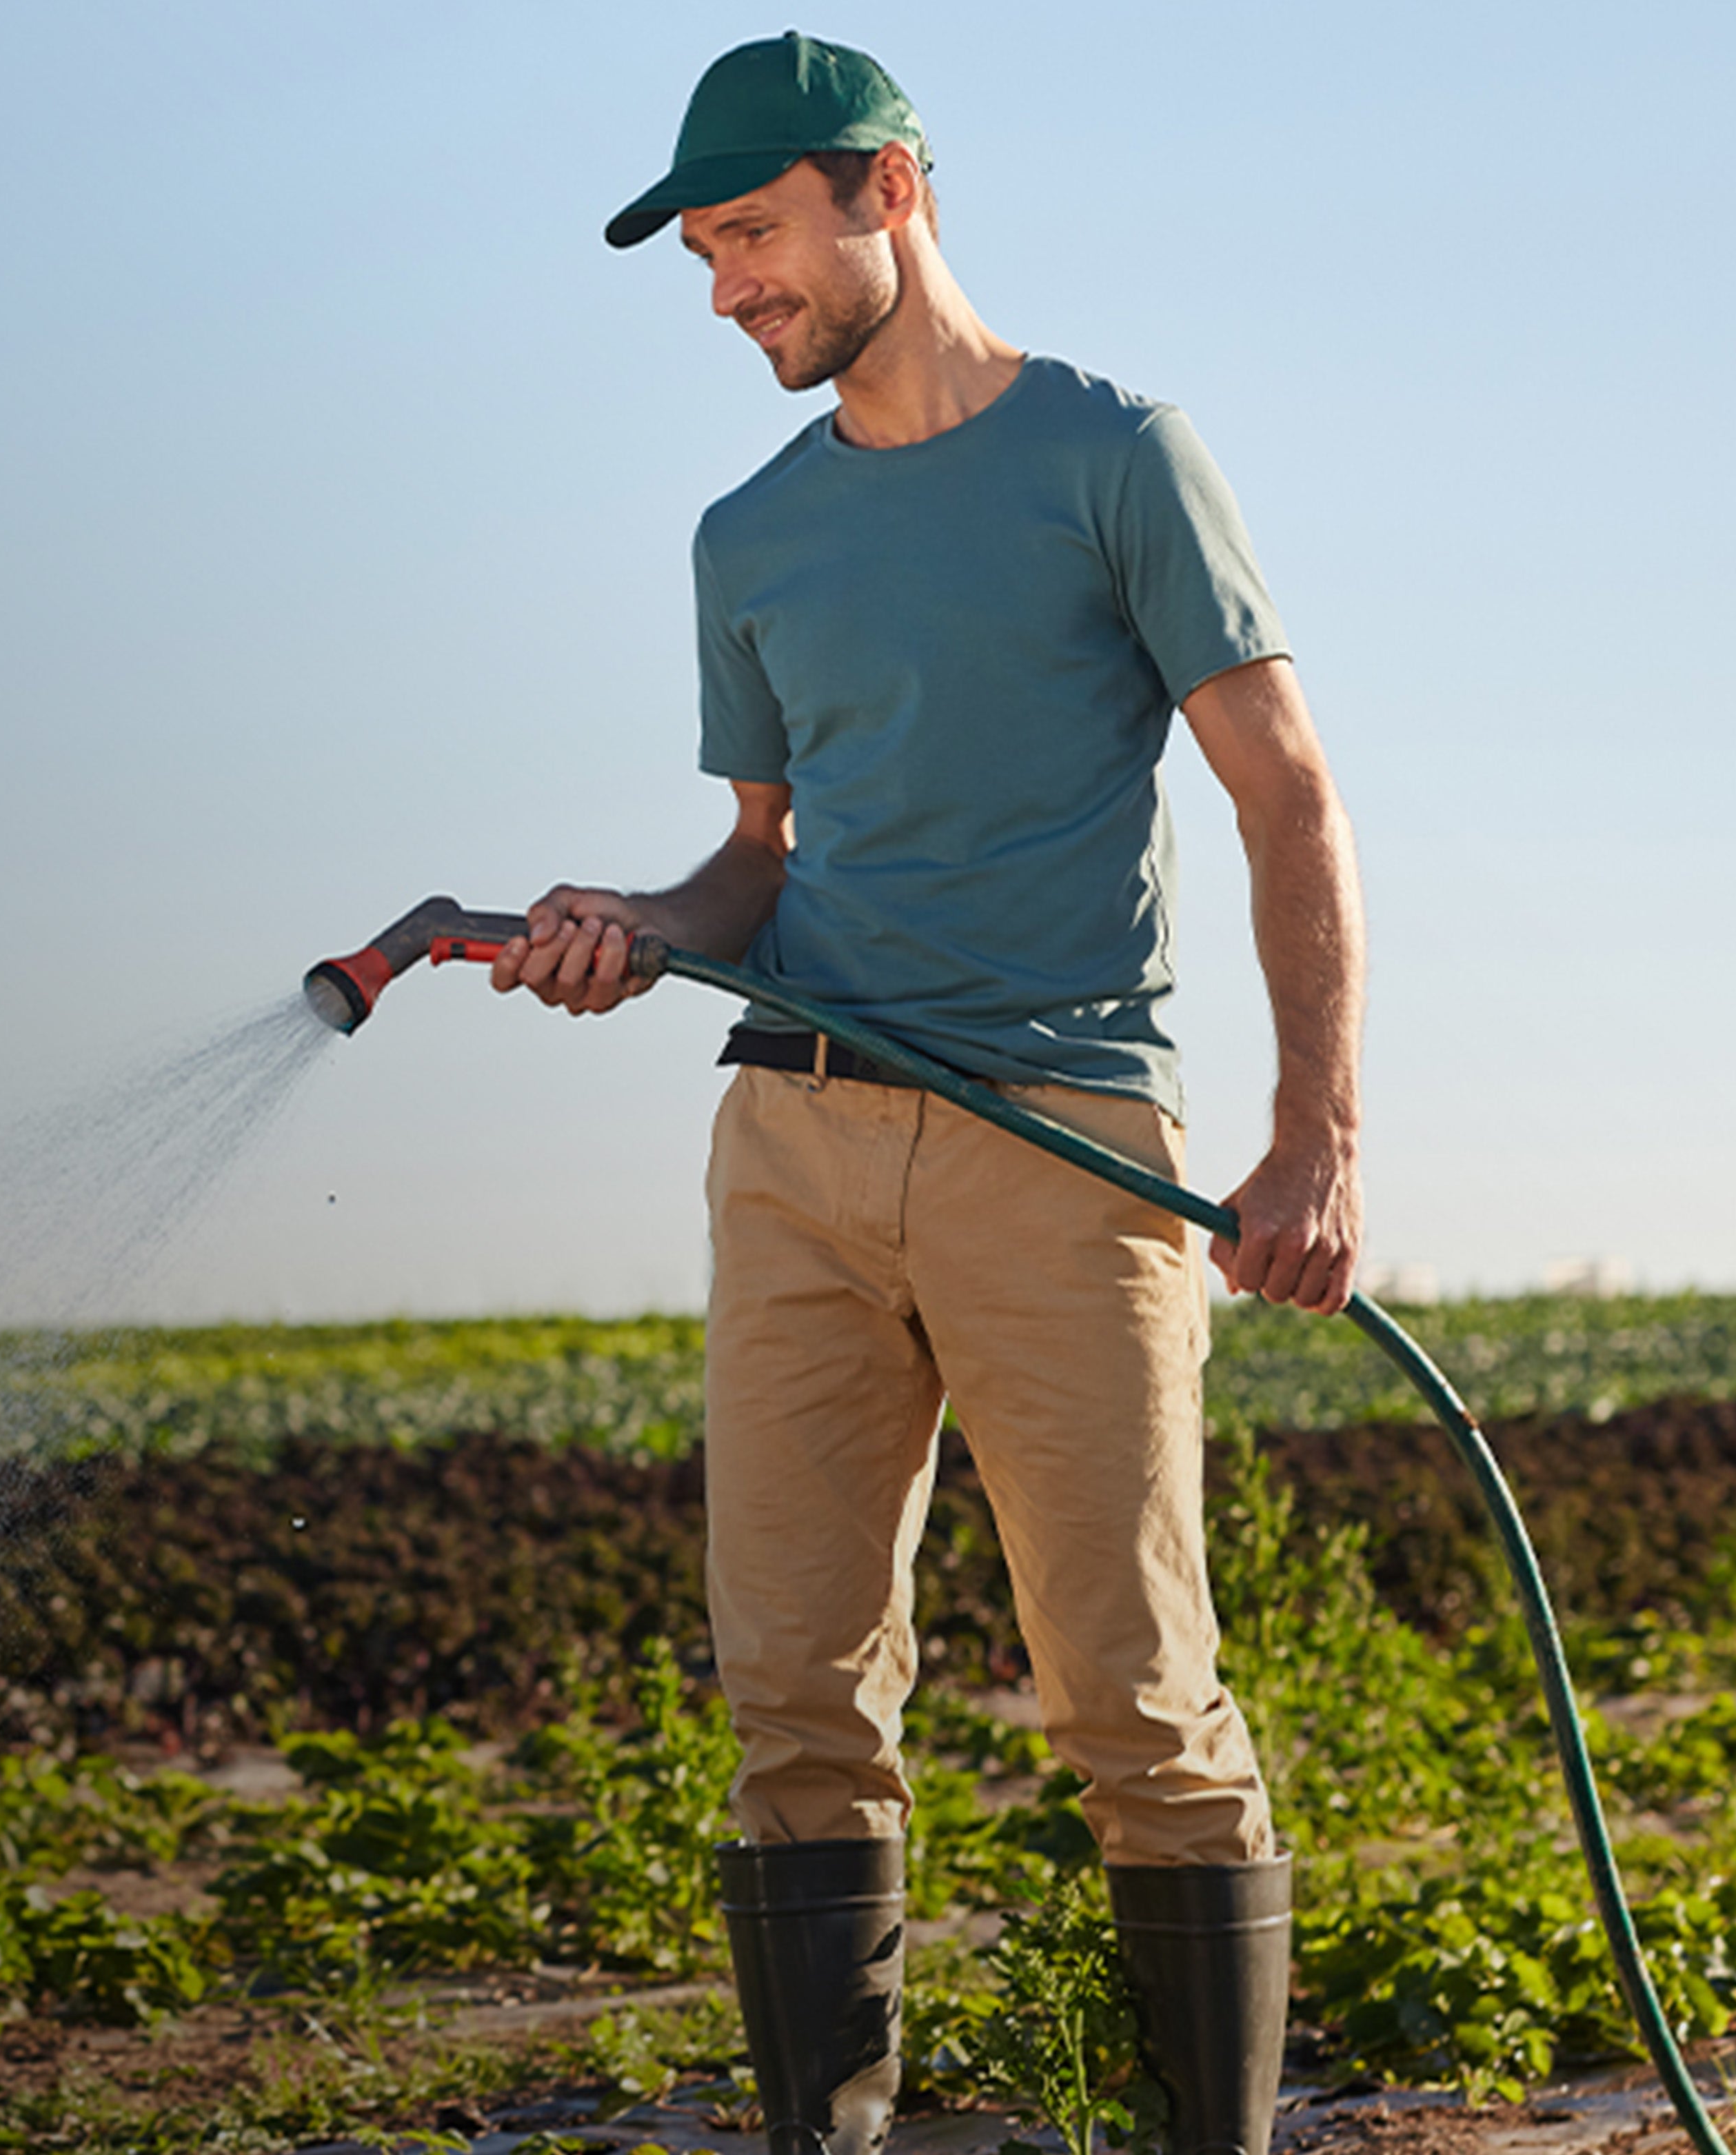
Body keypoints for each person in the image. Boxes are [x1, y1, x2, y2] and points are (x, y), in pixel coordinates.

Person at [487, 32, 1364, 2155]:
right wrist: (637, 926)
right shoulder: (748, 536)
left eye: (753, 236)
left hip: (1056, 1143)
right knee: (790, 1694)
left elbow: (1285, 794)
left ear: (887, 188)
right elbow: (758, 866)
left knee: (1131, 1696)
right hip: (791, 1140)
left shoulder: (1112, 456)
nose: (728, 292)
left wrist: (1314, 1135)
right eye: (705, 257)